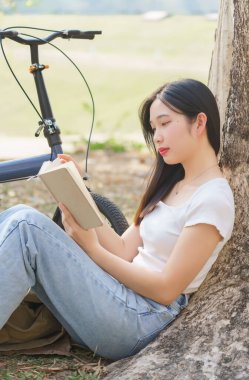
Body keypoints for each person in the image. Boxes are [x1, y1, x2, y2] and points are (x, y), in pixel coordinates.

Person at [0, 78, 235, 360]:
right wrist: (77, 190)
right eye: (153, 128)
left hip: (141, 319)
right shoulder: (172, 184)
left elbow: (166, 289)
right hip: (118, 297)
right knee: (17, 214)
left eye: (165, 123)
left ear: (199, 123)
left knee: (27, 226)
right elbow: (124, 250)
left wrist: (93, 251)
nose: (157, 136)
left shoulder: (213, 198)